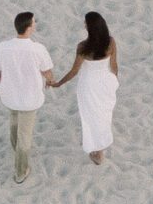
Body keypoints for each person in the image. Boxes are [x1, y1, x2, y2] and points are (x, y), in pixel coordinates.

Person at [0, 11, 54, 183]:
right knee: (25, 134)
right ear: (29, 27)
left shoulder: (2, 47)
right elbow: (47, 72)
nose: (35, 24)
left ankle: (15, 148)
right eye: (33, 22)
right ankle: (21, 171)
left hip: (10, 96)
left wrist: (5, 84)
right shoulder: (37, 49)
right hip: (30, 98)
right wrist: (49, 81)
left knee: (14, 121)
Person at [51, 12, 119, 165]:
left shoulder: (83, 47)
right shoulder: (111, 42)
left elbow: (74, 71)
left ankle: (97, 152)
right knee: (103, 114)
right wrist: (115, 81)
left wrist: (59, 83)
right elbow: (114, 65)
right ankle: (100, 149)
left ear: (89, 28)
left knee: (90, 116)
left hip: (89, 85)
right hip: (106, 81)